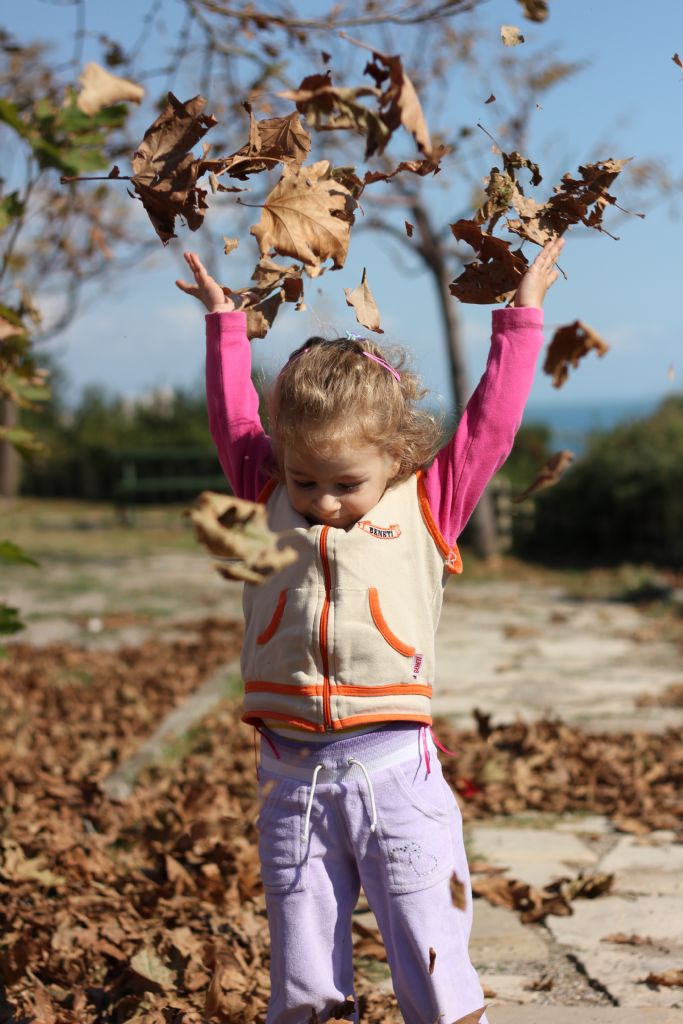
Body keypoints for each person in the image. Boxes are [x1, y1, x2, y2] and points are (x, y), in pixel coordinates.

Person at [176, 237, 564, 1024]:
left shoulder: (428, 503)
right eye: (304, 479)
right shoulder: (264, 492)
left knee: (429, 954)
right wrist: (225, 331)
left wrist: (520, 320)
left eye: (345, 483)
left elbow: (490, 426)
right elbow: (234, 418)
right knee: (305, 974)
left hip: (395, 777)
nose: (321, 502)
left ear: (394, 455)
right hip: (290, 781)